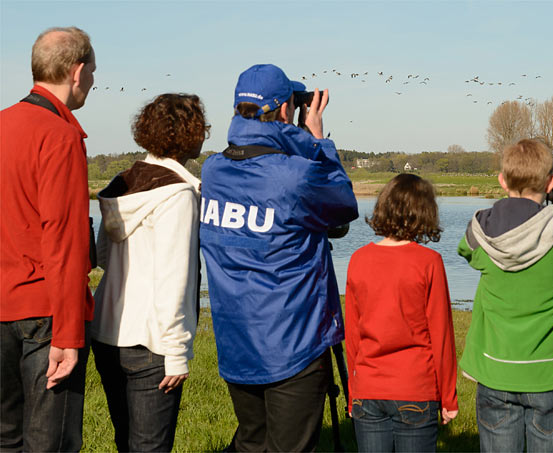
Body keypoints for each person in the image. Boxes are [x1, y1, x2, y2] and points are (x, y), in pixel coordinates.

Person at [200, 64, 358, 452]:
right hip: (292, 344)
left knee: (253, 440)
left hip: (237, 341)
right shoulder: (295, 175)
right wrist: (316, 139)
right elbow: (343, 206)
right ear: (286, 111)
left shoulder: (214, 171)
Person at [458, 139, 553, 452]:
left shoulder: (479, 233)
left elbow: (466, 250)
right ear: (551, 182)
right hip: (551, 373)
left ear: (502, 181)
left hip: (494, 370)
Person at [91, 93, 207, 451]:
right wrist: (175, 353)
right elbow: (175, 278)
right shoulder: (178, 194)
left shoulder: (120, 185)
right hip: (152, 344)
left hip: (106, 333)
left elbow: (104, 256)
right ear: (192, 134)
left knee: (124, 442)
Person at [0, 26, 96, 451]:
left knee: (6, 438)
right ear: (77, 72)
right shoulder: (59, 134)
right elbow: (64, 238)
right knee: (50, 444)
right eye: (93, 71)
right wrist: (69, 335)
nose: (92, 80)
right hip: (45, 313)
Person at [345, 173, 459, 452]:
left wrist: (353, 392)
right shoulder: (429, 262)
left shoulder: (358, 259)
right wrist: (448, 397)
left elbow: (352, 335)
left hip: (367, 390)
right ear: (424, 212)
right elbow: (441, 334)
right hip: (415, 389)